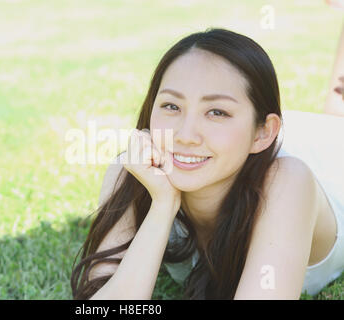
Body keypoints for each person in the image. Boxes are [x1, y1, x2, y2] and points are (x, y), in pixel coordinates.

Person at [71, 28, 344, 300]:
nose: (186, 136)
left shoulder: (287, 181)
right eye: (171, 106)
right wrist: (163, 206)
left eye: (217, 112)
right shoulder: (133, 170)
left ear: (263, 132)